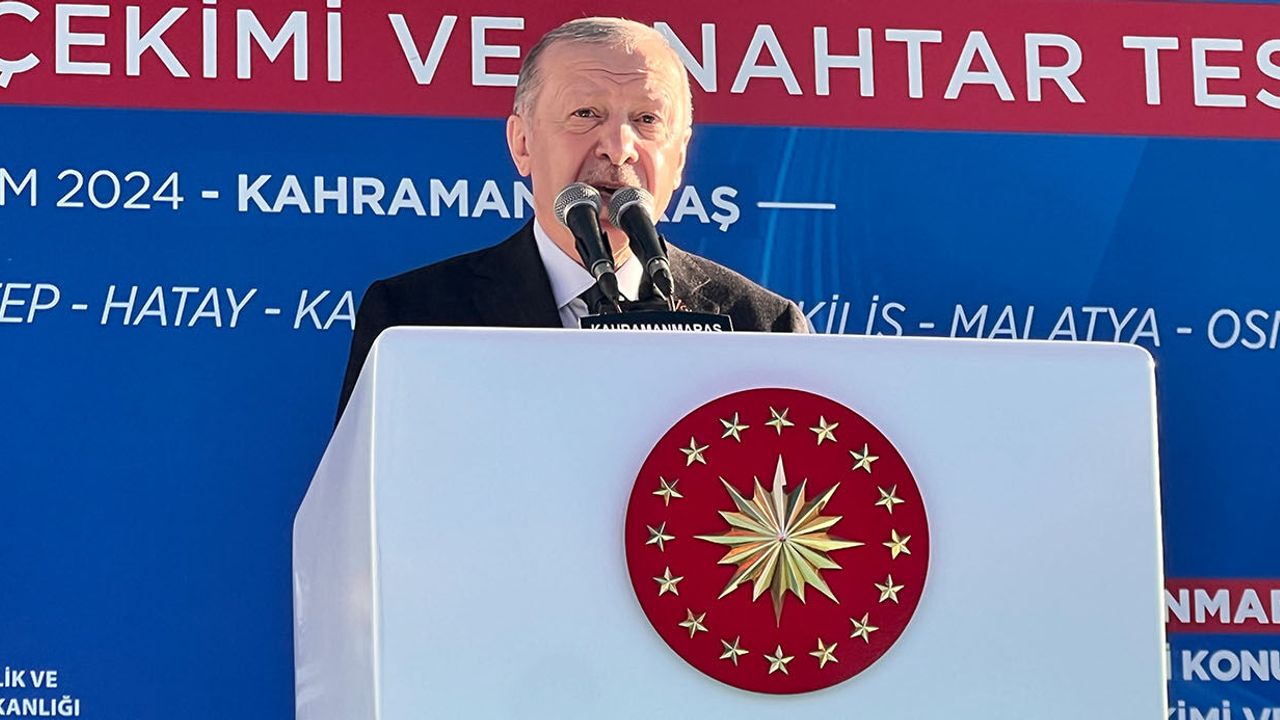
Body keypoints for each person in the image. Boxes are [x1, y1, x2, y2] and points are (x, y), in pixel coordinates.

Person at [337, 17, 809, 417]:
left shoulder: (763, 327)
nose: (619, 149)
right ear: (522, 143)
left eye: (646, 120)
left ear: (680, 157)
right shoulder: (415, 319)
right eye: (586, 113)